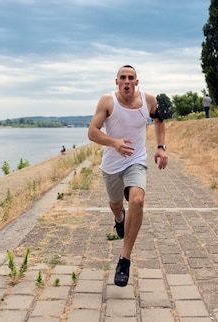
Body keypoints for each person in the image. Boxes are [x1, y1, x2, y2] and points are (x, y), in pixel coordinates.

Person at [88, 65, 168, 287]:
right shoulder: (108, 101)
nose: (126, 81)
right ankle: (119, 218)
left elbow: (160, 120)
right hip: (112, 166)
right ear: (116, 82)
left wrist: (161, 146)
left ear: (136, 81)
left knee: (137, 200)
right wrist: (114, 142)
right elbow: (92, 132)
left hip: (136, 161)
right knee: (115, 205)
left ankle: (124, 259)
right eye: (122, 78)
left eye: (130, 78)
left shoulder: (148, 100)